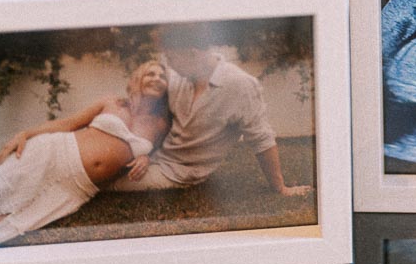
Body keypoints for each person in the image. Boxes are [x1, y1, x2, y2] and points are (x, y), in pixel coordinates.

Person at [0, 60, 170, 247]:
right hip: (54, 152)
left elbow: (155, 150)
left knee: (13, 224)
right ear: (138, 78)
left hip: (76, 188)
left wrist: (145, 157)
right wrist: (25, 134)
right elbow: (67, 124)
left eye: (162, 76)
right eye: (151, 73)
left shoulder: (160, 124)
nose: (157, 78)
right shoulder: (112, 102)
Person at [114, 24, 311, 197]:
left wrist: (281, 188)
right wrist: (145, 154)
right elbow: (153, 115)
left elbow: (262, 140)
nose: (168, 64)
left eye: (171, 58)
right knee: (101, 162)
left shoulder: (239, 85)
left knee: (105, 182)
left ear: (191, 53)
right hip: (150, 158)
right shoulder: (177, 78)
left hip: (179, 171)